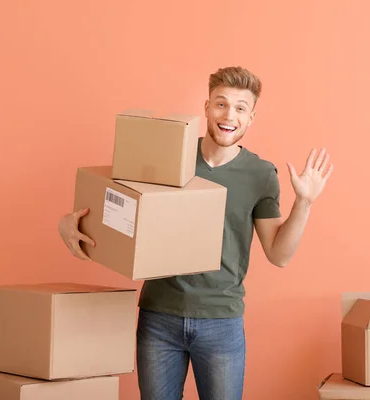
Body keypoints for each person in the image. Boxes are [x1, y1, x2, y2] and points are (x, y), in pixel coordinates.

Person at [58, 66, 333, 400]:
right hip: (159, 317)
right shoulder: (172, 156)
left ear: (251, 118)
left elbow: (279, 255)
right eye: (221, 104)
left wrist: (303, 202)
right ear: (206, 108)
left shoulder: (261, 175)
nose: (229, 115)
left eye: (240, 108)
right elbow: (120, 204)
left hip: (222, 322)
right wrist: (67, 225)